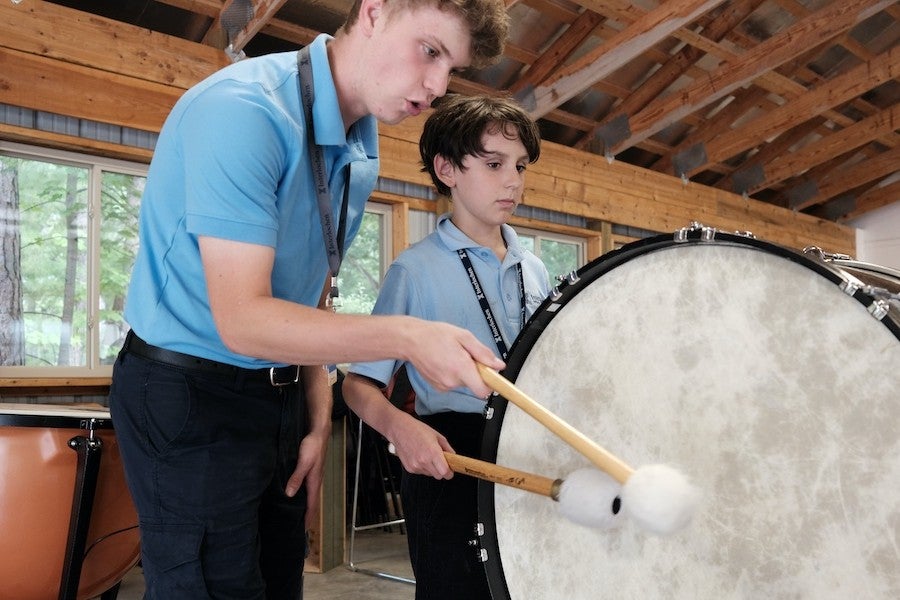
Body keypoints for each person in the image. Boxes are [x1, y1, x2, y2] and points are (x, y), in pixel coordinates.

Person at [107, 0, 510, 598]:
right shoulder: (244, 110)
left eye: (451, 69)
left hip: (282, 392)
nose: (436, 87)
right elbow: (243, 319)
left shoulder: (360, 143)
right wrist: (408, 335)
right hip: (189, 392)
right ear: (373, 12)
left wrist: (315, 420)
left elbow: (312, 298)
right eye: (430, 51)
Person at [342, 94, 550, 599]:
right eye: (494, 164)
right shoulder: (413, 270)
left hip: (526, 450)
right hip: (450, 456)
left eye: (521, 166)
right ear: (447, 169)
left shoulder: (535, 268)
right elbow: (357, 386)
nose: (513, 181)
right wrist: (401, 428)